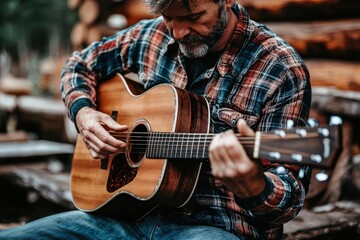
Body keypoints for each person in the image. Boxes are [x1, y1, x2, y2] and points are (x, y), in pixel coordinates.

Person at [0, 0, 312, 239]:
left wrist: (254, 186)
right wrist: (84, 114)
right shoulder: (150, 35)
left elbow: (289, 197)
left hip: (215, 227)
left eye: (192, 17)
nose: (177, 32)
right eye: (168, 18)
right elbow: (79, 64)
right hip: (124, 218)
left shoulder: (279, 67)